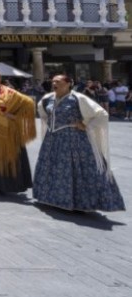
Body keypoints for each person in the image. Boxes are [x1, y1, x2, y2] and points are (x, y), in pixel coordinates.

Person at [33, 74, 126, 212]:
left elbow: (101, 114)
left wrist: (84, 124)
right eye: (53, 81)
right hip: (52, 140)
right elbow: (44, 114)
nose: (54, 84)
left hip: (74, 140)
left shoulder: (78, 98)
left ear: (68, 83)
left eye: (57, 81)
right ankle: (51, 198)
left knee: (77, 169)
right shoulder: (47, 99)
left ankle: (82, 202)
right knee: (52, 167)